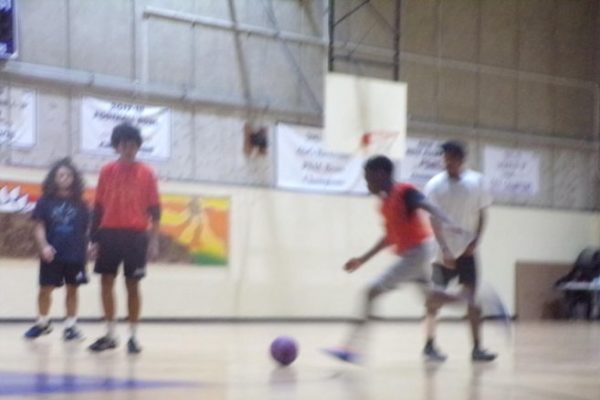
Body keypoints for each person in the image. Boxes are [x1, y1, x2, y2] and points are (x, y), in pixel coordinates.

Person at [324, 155, 463, 363]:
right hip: (414, 253)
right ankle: (471, 299)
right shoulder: (384, 204)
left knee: (371, 292)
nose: (366, 182)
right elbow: (389, 237)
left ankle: (353, 348)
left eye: (368, 177)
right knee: (432, 299)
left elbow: (428, 206)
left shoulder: (404, 192)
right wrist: (362, 259)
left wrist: (449, 222)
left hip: (417, 253)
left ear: (381, 174)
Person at [88, 123, 161, 354]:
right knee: (106, 283)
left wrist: (154, 240)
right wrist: (93, 240)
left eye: (132, 144)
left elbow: (155, 210)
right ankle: (110, 335)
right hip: (109, 234)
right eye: (123, 144)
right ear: (116, 146)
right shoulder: (106, 171)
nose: (127, 148)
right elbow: (98, 208)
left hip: (136, 236)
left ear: (137, 147)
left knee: (132, 285)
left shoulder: (147, 173)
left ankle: (133, 336)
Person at [423, 140, 496, 362]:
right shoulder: (435, 185)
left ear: (461, 159)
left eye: (451, 157)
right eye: (444, 158)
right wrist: (444, 249)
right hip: (441, 254)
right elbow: (433, 218)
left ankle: (477, 348)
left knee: (472, 301)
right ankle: (429, 345)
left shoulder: (477, 182)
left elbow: (483, 214)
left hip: (468, 252)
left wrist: (476, 242)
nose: (447, 162)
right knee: (434, 300)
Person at [24, 158, 89, 341]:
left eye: (68, 175)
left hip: (75, 254)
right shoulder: (45, 201)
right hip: (52, 254)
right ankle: (42, 323)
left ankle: (70, 327)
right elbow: (38, 226)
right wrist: (44, 246)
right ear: (54, 178)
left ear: (74, 179)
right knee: (45, 289)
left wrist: (90, 245)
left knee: (72, 290)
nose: (65, 178)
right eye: (61, 175)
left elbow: (86, 229)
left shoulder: (81, 204)